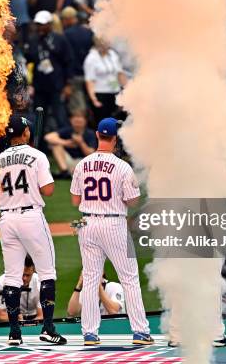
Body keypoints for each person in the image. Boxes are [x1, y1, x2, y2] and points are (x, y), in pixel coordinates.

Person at [70, 118, 153, 346]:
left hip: (86, 223)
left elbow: (75, 199)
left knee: (90, 278)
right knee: (129, 278)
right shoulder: (122, 167)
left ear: (97, 135)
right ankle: (140, 331)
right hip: (114, 224)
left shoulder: (82, 164)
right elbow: (133, 201)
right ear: (115, 138)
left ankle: (89, 333)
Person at [0, 115, 66, 345]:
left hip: (6, 220)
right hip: (31, 217)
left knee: (11, 276)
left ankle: (14, 332)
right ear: (26, 133)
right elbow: (49, 190)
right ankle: (48, 328)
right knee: (47, 272)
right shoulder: (38, 156)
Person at [25, 10, 74, 129]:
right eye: (38, 24)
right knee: (39, 120)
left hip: (57, 86)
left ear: (50, 24)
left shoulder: (60, 39)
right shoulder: (33, 40)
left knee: (60, 117)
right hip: (39, 87)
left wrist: (68, 84)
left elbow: (68, 62)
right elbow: (29, 62)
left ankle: (66, 144)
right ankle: (38, 145)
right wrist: (29, 83)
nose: (40, 27)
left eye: (42, 24)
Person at [83, 37, 127, 122]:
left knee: (118, 120)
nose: (105, 44)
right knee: (104, 121)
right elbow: (89, 80)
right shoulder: (91, 58)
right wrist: (94, 99)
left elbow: (120, 73)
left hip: (115, 91)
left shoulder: (113, 54)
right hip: (101, 93)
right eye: (102, 42)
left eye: (107, 42)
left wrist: (126, 90)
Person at [44, 111, 96, 178]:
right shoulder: (68, 130)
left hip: (82, 163)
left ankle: (75, 172)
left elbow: (91, 154)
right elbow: (48, 137)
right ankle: (65, 172)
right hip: (68, 161)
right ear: (71, 121)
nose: (78, 124)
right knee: (56, 145)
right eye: (76, 122)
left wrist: (81, 142)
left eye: (80, 122)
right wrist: (67, 143)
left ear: (85, 121)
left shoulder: (90, 133)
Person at [0, 255, 43, 322]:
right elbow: (1, 314)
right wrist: (17, 320)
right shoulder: (0, 283)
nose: (24, 278)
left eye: (28, 275)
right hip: (8, 319)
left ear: (33, 271)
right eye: (22, 274)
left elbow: (41, 315)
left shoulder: (40, 283)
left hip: (34, 318)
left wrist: (26, 325)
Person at [62, 6, 94, 113]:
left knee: (78, 107)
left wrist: (68, 78)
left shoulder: (66, 34)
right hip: (89, 74)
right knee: (90, 101)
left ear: (68, 19)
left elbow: (67, 57)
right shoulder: (88, 32)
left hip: (74, 74)